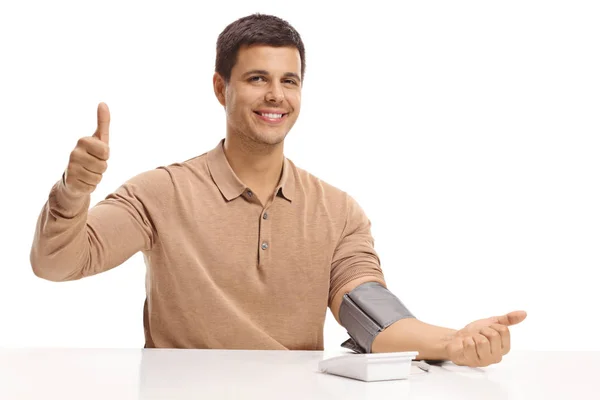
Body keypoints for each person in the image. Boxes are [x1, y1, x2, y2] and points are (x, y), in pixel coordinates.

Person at [30, 13, 526, 368]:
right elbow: (56, 264)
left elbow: (373, 318)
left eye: (289, 80)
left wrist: (455, 340)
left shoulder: (337, 210)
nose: (276, 95)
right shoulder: (161, 192)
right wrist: (75, 189)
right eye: (257, 78)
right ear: (221, 89)